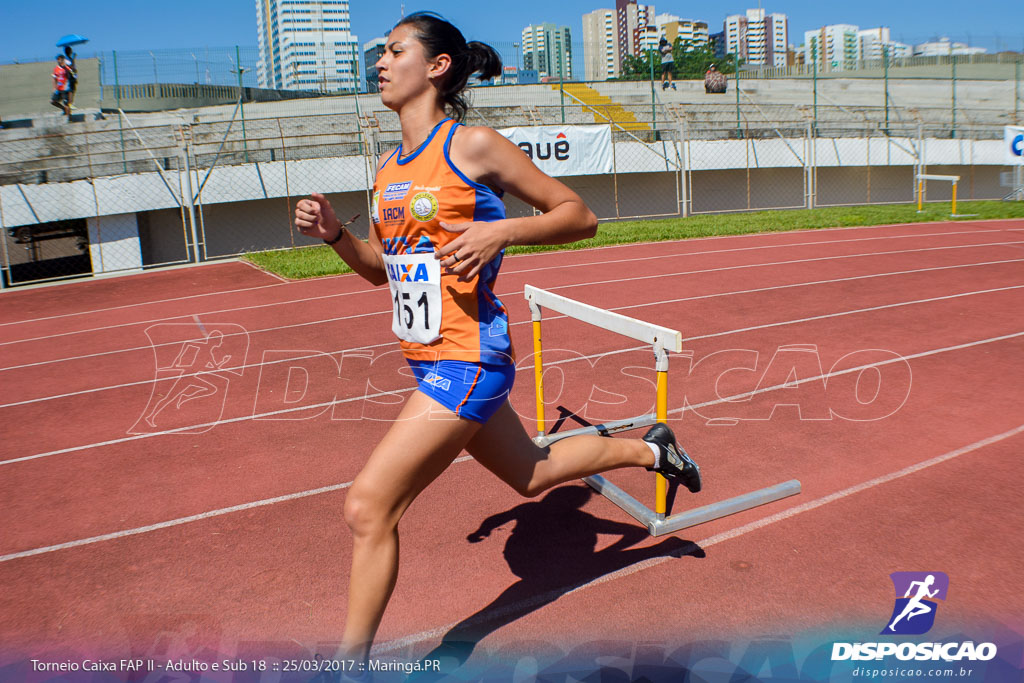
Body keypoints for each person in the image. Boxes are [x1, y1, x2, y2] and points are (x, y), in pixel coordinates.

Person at [293, 12, 701, 677]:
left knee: (368, 507)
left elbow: (579, 214)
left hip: (468, 359)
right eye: (381, 52)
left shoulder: (473, 145)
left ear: (437, 66)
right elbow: (380, 271)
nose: (381, 61)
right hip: (428, 357)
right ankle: (651, 448)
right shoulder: (389, 166)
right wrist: (338, 235)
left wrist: (500, 232)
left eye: (396, 50)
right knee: (532, 474)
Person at [50, 54, 71, 119]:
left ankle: (69, 117)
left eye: (61, 59)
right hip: (58, 88)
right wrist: (54, 87)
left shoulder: (67, 68)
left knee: (66, 103)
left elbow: (71, 75)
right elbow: (54, 78)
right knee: (53, 101)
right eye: (58, 59)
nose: (59, 60)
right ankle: (63, 109)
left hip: (65, 88)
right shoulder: (56, 69)